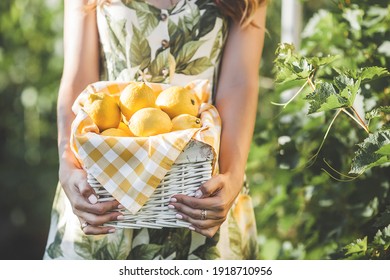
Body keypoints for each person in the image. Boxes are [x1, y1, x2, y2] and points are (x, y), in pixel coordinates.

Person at [43, 0, 267, 260]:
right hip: (105, 188)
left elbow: (240, 82)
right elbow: (78, 77)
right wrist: (68, 166)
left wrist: (232, 176)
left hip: (203, 189)